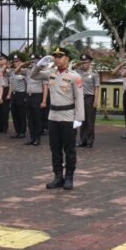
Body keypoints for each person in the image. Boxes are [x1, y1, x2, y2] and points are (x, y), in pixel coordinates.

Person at [31, 47, 84, 190]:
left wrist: (79, 118)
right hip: (53, 115)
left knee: (69, 149)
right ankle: (58, 176)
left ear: (67, 59)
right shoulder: (50, 73)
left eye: (60, 56)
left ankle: (69, 177)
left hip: (68, 116)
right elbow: (33, 76)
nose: (57, 59)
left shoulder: (74, 76)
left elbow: (79, 98)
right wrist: (39, 65)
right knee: (55, 149)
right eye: (55, 56)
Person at [21, 54, 47, 146]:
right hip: (28, 96)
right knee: (30, 119)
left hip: (37, 96)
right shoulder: (27, 71)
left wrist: (44, 101)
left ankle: (37, 138)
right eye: (32, 61)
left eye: (35, 61)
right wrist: (22, 64)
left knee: (37, 118)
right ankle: (31, 138)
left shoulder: (42, 72)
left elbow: (45, 87)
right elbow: (16, 71)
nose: (33, 62)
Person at [77, 53, 100, 148]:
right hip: (81, 98)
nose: (84, 64)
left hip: (90, 98)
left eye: (86, 62)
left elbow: (97, 88)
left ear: (90, 63)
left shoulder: (94, 73)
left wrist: (95, 101)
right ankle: (82, 140)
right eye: (82, 62)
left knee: (90, 121)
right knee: (82, 121)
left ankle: (90, 141)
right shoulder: (79, 73)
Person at [8, 54, 28, 139]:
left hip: (21, 94)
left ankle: (22, 131)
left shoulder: (24, 71)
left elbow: (27, 84)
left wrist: (26, 96)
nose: (15, 63)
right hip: (14, 94)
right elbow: (11, 84)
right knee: (14, 114)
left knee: (22, 114)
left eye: (17, 61)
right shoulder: (13, 72)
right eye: (14, 61)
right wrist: (9, 94)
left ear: (22, 62)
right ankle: (17, 131)